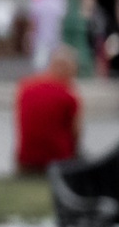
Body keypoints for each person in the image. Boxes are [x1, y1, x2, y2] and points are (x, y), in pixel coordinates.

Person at [15, 45, 84, 173]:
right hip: (59, 161)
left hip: (26, 161)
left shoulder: (25, 87)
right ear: (70, 69)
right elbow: (76, 133)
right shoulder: (69, 96)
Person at [31, 0, 69, 72]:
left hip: (43, 38)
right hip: (55, 37)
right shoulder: (62, 0)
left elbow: (34, 21)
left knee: (41, 68)